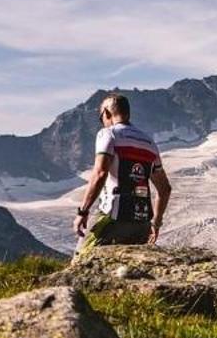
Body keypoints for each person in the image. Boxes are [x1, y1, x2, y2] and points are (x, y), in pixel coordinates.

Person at [72, 94, 172, 251]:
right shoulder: (149, 143)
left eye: (101, 118)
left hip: (113, 218)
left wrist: (83, 211)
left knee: (82, 260)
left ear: (106, 113)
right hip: (142, 223)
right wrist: (156, 223)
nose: (102, 122)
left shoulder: (108, 134)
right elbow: (165, 189)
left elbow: (100, 173)